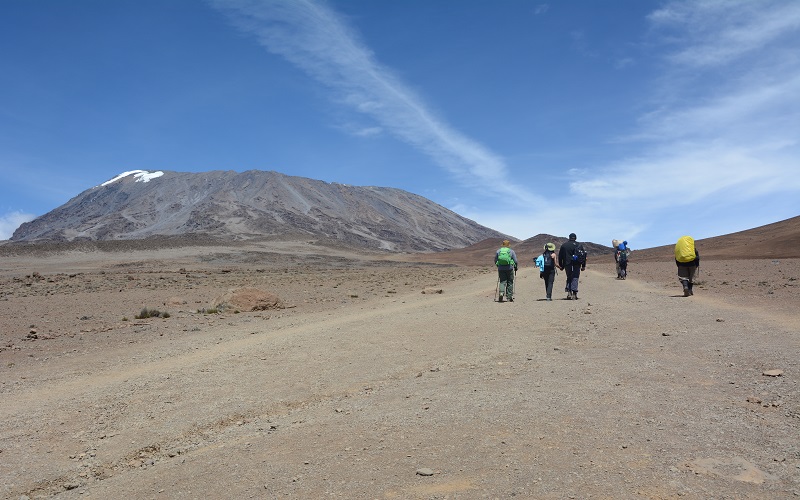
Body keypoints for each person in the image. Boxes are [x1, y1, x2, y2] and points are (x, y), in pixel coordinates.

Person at [557, 233, 586, 300]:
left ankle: (569, 292)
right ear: (575, 238)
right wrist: (583, 265)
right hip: (577, 263)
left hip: (567, 263)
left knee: (569, 276)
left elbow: (560, 256)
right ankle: (574, 293)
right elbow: (583, 255)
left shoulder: (564, 245)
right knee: (575, 277)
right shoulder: (579, 245)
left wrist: (561, 266)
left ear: (569, 237)